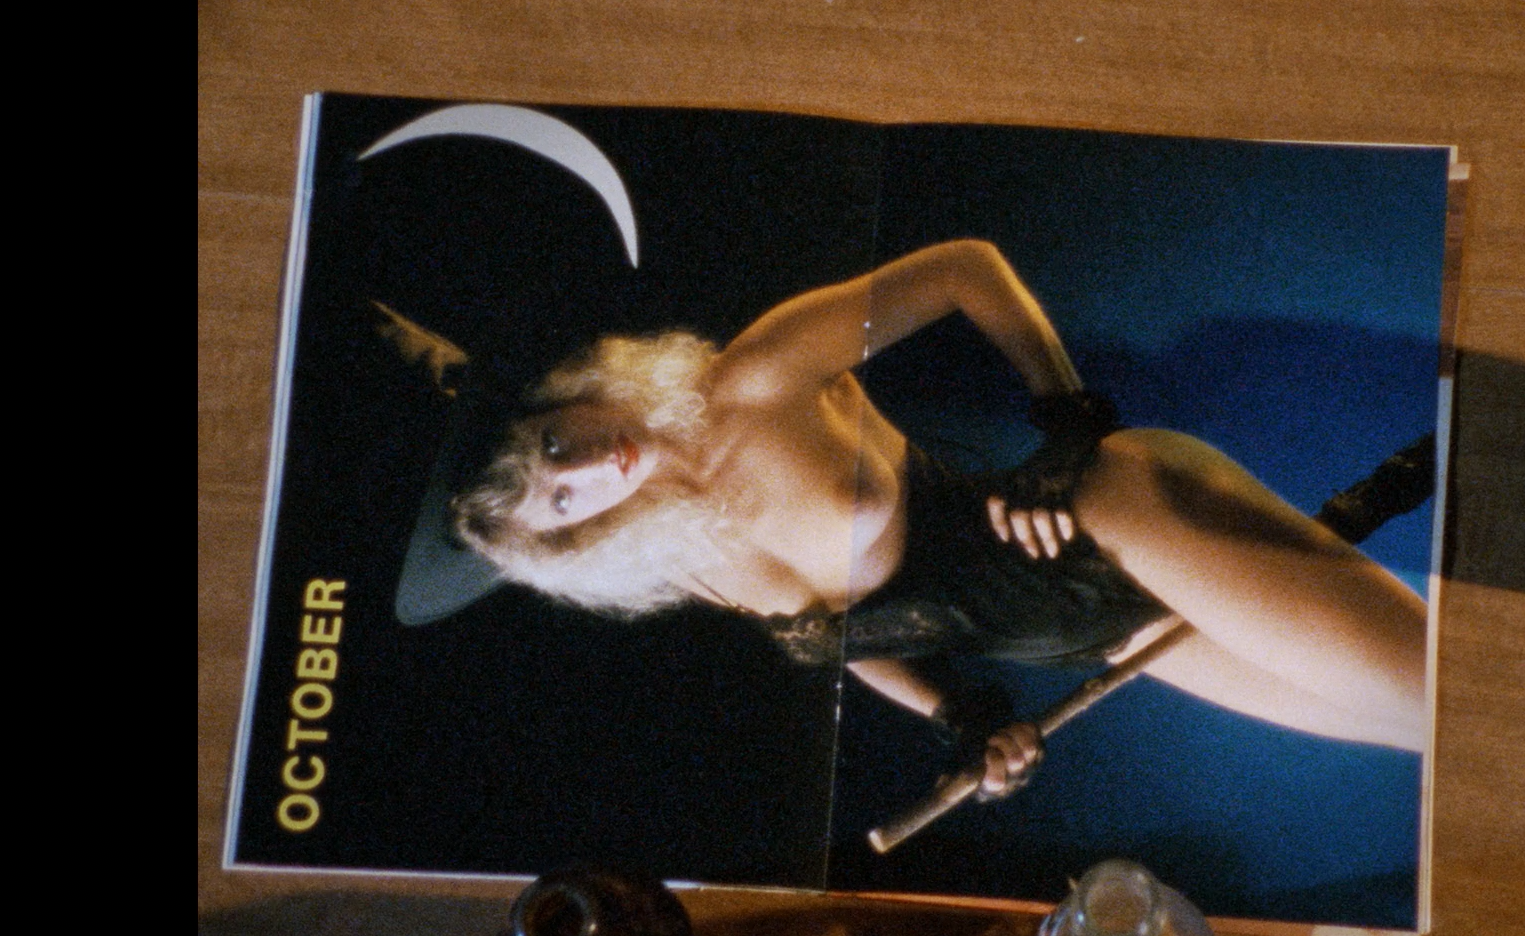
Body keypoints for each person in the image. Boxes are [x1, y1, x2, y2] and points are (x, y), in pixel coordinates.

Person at [452, 239, 1428, 801]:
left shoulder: (754, 378)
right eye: (562, 499)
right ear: (571, 539)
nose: (586, 469)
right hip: (1111, 638)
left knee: (1442, 700)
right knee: (1420, 737)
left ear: (566, 396)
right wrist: (960, 716)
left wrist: (1065, 430)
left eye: (554, 445)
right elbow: (842, 638)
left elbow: (966, 269)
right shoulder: (687, 553)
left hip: (1117, 519)